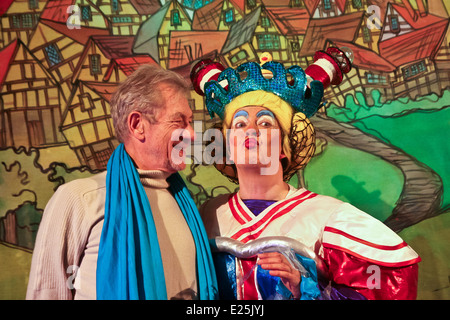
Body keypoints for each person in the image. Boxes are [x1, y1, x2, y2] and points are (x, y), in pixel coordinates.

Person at [192, 52, 421, 300]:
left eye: (266, 123)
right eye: (239, 124)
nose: (251, 131)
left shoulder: (326, 215)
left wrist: (305, 287)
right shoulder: (207, 214)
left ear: (284, 147)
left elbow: (387, 286)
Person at [26, 64, 218, 300]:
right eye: (179, 122)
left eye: (189, 122)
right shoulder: (79, 199)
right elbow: (47, 294)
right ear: (137, 125)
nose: (192, 134)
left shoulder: (185, 204)